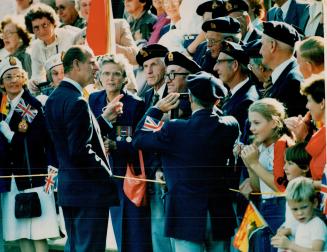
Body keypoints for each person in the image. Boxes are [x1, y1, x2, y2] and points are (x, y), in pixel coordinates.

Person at [133, 71, 240, 251]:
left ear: (190, 98)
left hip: (185, 214)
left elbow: (139, 138)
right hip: (218, 214)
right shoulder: (230, 125)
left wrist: (156, 109)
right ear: (217, 101)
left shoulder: (175, 128)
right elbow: (215, 116)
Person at [44, 45, 121, 252]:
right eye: (92, 62)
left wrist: (103, 121)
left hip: (70, 190)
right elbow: (79, 150)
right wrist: (107, 174)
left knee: (77, 247)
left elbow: (70, 138)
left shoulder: (54, 98)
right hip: (88, 192)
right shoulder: (76, 100)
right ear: (76, 64)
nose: (97, 67)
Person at [88, 54, 152, 252]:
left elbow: (140, 140)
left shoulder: (136, 103)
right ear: (99, 77)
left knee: (130, 232)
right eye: (106, 74)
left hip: (126, 175)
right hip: (99, 174)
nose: (110, 79)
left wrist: (116, 144)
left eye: (116, 74)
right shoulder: (93, 98)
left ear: (125, 78)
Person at [0, 56, 59, 252]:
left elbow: (35, 141)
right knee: (21, 232)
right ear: (2, 82)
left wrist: (10, 135)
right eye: (8, 76)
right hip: (11, 179)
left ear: (24, 79)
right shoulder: (1, 108)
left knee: (38, 232)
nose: (14, 80)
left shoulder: (32, 104)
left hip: (33, 177)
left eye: (18, 75)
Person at [240, 98, 294, 252]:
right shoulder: (262, 146)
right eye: (250, 123)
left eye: (257, 123)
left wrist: (255, 163)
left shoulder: (282, 144)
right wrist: (250, 164)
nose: (251, 128)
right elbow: (257, 188)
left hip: (280, 208)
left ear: (274, 122)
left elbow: (281, 186)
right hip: (265, 206)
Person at [24, 3, 77, 91]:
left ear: (53, 23)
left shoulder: (69, 37)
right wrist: (34, 83)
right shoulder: (35, 46)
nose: (42, 31)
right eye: (36, 28)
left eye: (45, 25)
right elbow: (37, 76)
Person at [259, 21, 307, 117]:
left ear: (272, 46)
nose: (260, 51)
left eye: (262, 44)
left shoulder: (293, 82)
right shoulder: (289, 75)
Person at [284, 77, 325, 184]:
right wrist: (301, 138)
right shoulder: (318, 132)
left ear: (322, 103)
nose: (307, 106)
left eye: (309, 101)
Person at [271, 142, 311, 250]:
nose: (284, 167)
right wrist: (283, 227)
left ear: (305, 167)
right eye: (285, 163)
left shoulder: (307, 190)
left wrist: (288, 230)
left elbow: (308, 221)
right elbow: (290, 219)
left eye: (290, 163)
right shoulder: (291, 187)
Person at [214, 40, 259, 134]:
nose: (215, 68)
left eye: (219, 62)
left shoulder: (247, 101)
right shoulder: (237, 93)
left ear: (235, 65)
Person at [271, 177, 327, 251]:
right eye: (295, 209)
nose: (300, 213)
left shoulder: (317, 225)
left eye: (304, 207)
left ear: (315, 203)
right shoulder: (303, 224)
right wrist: (288, 232)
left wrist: (290, 245)